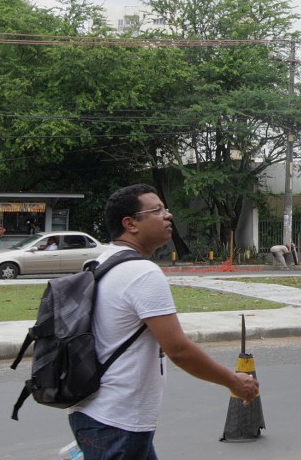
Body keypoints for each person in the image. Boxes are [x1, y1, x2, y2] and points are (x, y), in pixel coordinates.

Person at [68, 184, 258, 459]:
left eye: (165, 209)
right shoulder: (142, 272)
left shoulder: (103, 262)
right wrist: (234, 382)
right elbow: (178, 350)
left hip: (97, 416)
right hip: (118, 424)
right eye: (156, 210)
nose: (167, 215)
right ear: (130, 223)